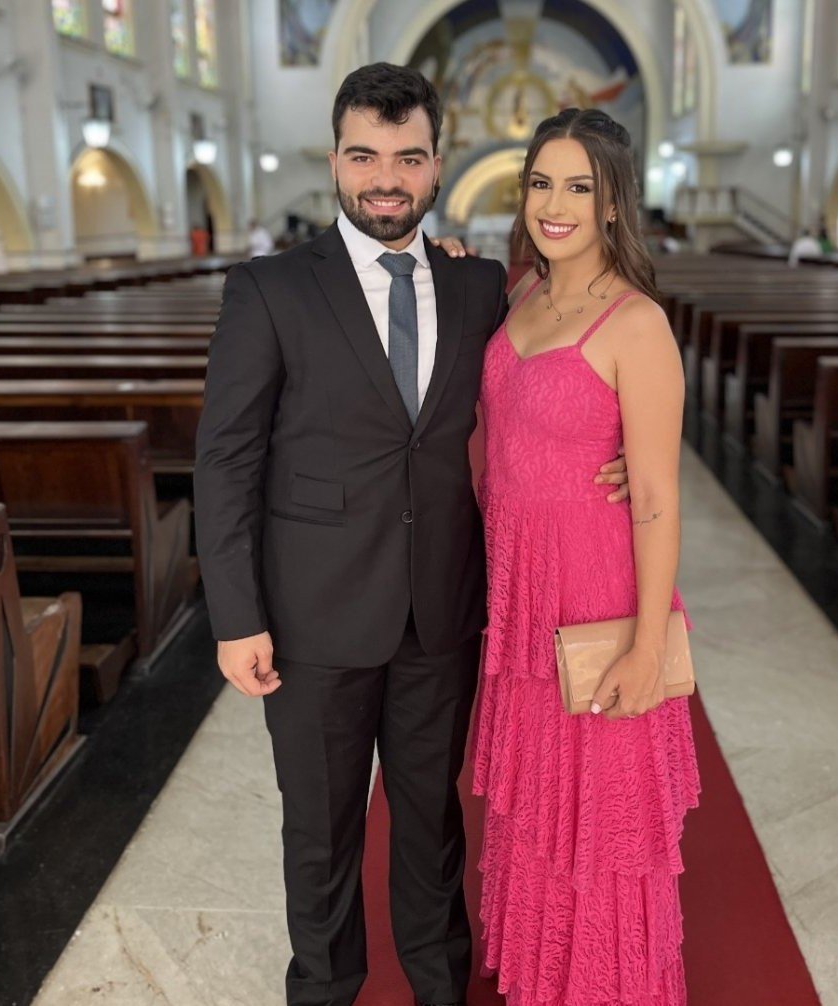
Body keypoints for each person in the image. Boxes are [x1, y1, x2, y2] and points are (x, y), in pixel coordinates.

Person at [193, 65, 630, 1006]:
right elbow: (225, 462)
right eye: (364, 157)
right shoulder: (269, 288)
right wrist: (236, 617)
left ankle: (441, 988)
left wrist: (620, 450)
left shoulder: (478, 287)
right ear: (334, 162)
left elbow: (547, 391)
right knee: (321, 831)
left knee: (432, 822)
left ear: (437, 164)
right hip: (312, 617)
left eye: (407, 158)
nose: (385, 179)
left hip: (440, 609)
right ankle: (324, 988)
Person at [471, 108, 701, 1005]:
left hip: (594, 591)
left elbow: (656, 499)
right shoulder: (522, 295)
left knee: (601, 829)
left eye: (579, 187)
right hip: (522, 600)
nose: (555, 205)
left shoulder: (636, 323)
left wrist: (646, 646)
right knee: (538, 817)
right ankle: (545, 981)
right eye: (541, 183)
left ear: (613, 202)